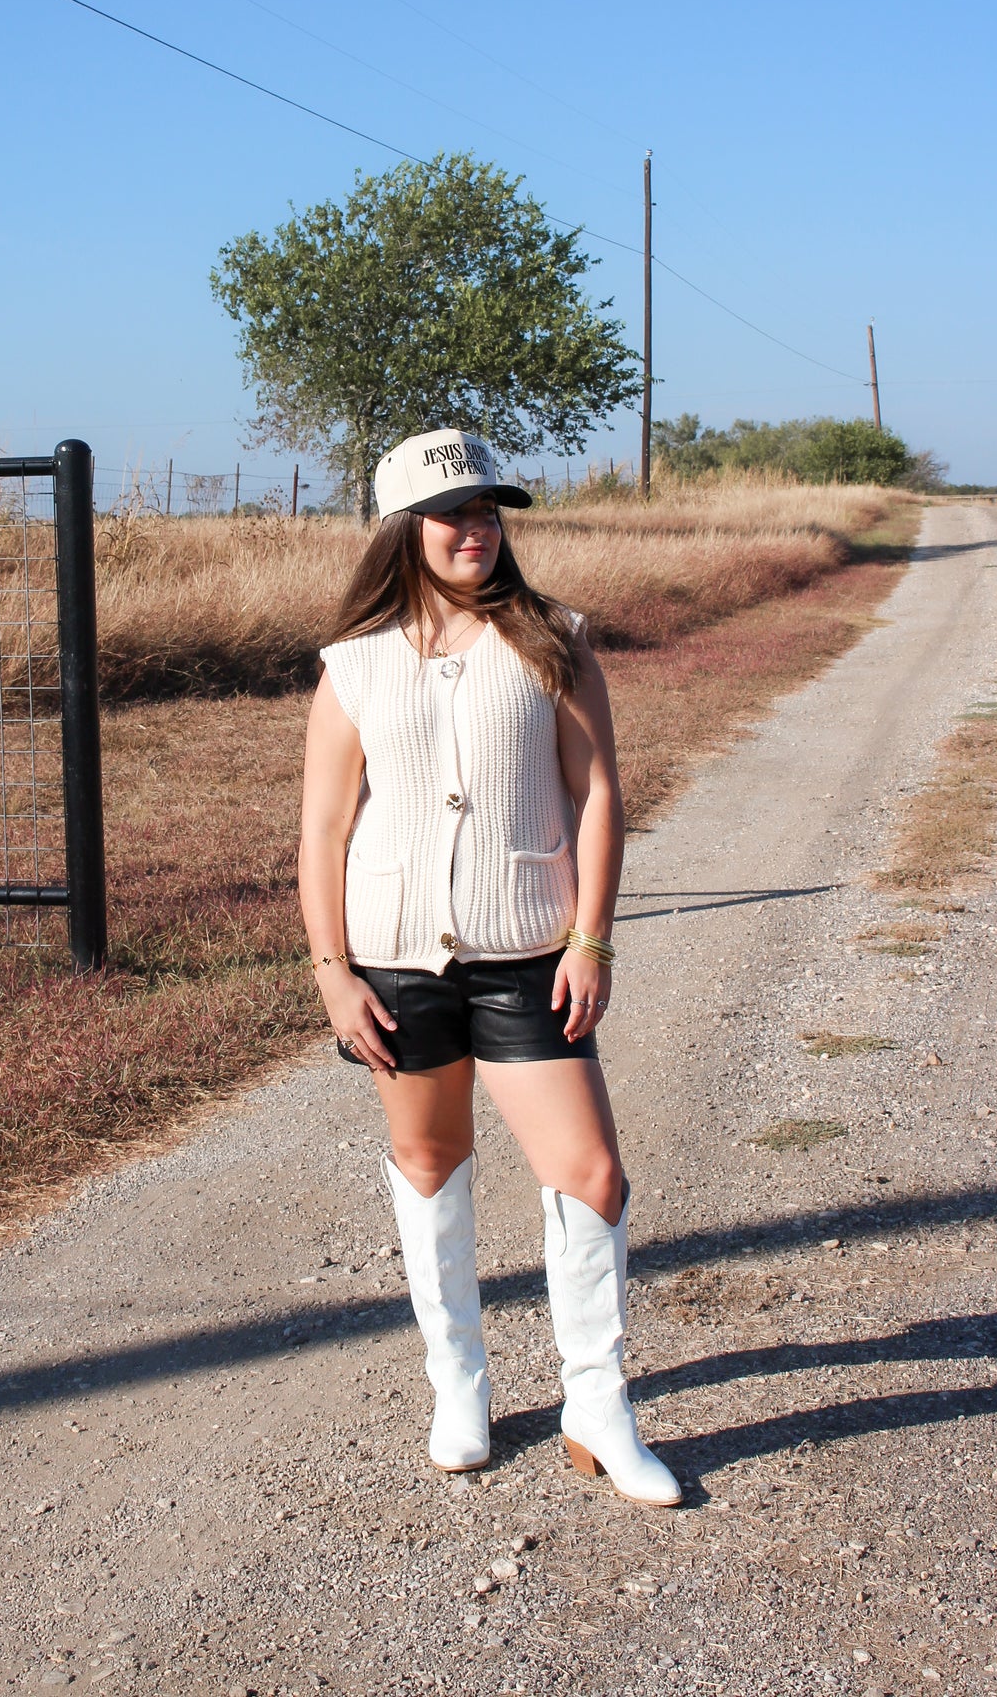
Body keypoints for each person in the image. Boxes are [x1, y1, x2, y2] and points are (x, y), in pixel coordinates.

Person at [298, 427, 680, 1505]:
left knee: (591, 1173)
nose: (473, 529)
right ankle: (456, 1383)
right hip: (397, 963)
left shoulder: (551, 637)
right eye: (448, 512)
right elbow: (321, 828)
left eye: (487, 510)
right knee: (427, 1168)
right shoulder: (354, 663)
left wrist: (591, 934)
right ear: (402, 529)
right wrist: (333, 969)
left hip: (527, 956)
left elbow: (597, 792)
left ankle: (596, 1403)